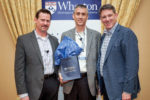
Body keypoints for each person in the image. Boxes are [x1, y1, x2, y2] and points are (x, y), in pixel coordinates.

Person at [96, 4, 140, 100]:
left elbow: (132, 65)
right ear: (101, 19)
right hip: (107, 88)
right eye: (104, 17)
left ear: (116, 15)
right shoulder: (103, 36)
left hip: (120, 90)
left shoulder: (126, 34)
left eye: (110, 15)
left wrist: (127, 90)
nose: (107, 19)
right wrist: (100, 84)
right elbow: (103, 61)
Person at [15, 9, 60, 100]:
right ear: (35, 20)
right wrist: (23, 94)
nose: (45, 23)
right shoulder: (23, 40)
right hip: (33, 88)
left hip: (52, 84)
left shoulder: (54, 40)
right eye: (42, 20)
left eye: (48, 21)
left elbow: (59, 61)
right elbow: (19, 69)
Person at [59, 4, 101, 100]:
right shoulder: (65, 35)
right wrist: (60, 74)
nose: (80, 17)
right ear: (73, 16)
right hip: (70, 81)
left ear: (87, 16)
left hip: (88, 81)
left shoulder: (96, 35)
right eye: (78, 14)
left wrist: (99, 84)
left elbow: (99, 61)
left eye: (83, 14)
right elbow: (62, 58)